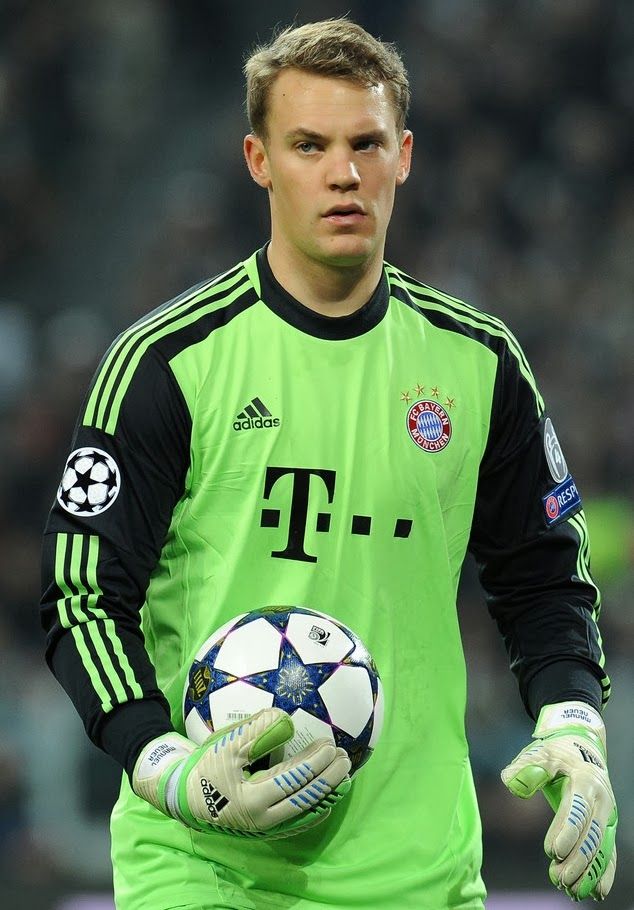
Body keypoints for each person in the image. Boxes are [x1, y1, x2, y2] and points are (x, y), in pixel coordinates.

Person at [40, 18, 618, 910]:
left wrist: (576, 729)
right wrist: (166, 767)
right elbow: (84, 596)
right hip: (205, 867)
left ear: (406, 155)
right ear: (258, 160)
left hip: (416, 871)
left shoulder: (479, 363)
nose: (342, 173)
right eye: (308, 145)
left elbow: (545, 577)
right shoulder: (166, 364)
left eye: (366, 144)